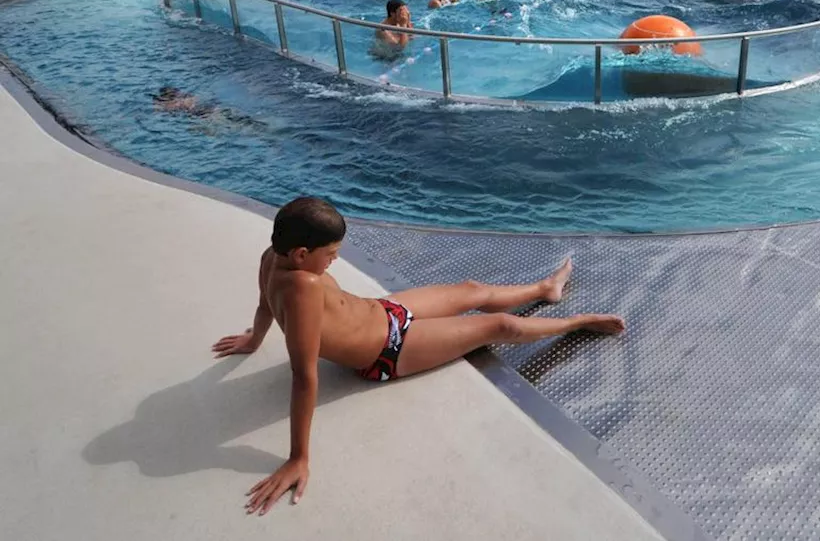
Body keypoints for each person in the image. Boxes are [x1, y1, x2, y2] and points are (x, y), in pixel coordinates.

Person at [213, 197, 624, 515]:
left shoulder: (273, 256)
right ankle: (578, 321)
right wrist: (298, 458)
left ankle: (543, 290)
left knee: (472, 289)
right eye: (332, 254)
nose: (336, 260)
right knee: (501, 326)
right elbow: (304, 376)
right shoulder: (301, 288)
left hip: (383, 311)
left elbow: (265, 305)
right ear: (302, 254)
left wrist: (253, 339)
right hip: (388, 352)